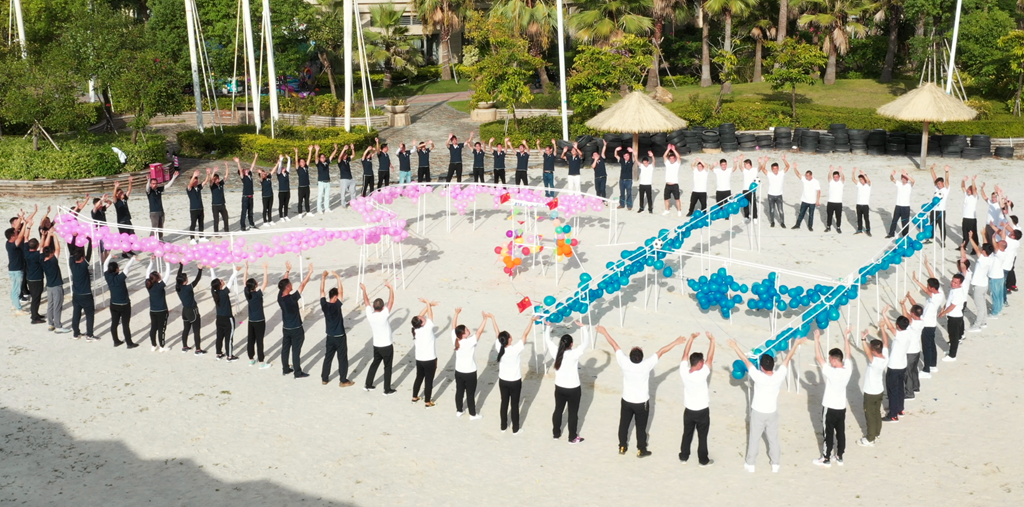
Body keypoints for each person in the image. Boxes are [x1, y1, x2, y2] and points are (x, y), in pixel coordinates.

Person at [597, 325, 685, 457]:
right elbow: (662, 351)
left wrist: (604, 332)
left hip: (627, 400)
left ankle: (622, 446)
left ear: (630, 356)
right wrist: (676, 342)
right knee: (641, 427)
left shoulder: (624, 362)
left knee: (624, 424)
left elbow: (614, 345)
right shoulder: (646, 365)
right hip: (641, 403)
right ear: (641, 357)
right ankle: (641, 449)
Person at [727, 336, 806, 473]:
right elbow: (787, 358)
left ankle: (751, 464)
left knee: (754, 438)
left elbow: (745, 360)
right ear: (773, 365)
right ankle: (775, 464)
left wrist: (735, 346)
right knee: (773, 439)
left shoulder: (759, 376)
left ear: (762, 367)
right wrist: (796, 344)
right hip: (772, 412)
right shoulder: (779, 375)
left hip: (758, 412)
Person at [811, 328, 852, 468]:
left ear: (834, 360)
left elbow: (819, 358)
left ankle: (826, 458)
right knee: (840, 432)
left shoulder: (832, 372)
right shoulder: (848, 369)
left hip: (829, 407)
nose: (829, 361)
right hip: (841, 407)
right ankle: (839, 456)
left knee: (828, 433)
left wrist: (816, 339)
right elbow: (848, 353)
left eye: (830, 359)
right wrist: (846, 337)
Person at [546, 322, 589, 443]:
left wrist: (548, 326)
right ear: (571, 344)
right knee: (573, 413)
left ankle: (556, 434)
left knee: (558, 410)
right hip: (573, 388)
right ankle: (572, 437)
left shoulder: (555, 351)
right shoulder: (574, 353)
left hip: (560, 387)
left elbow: (548, 340)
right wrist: (583, 328)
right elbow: (585, 343)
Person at [490, 314, 533, 434]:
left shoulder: (499, 347)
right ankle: (515, 429)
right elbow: (525, 334)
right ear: (509, 339)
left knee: (504, 403)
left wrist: (493, 319)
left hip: (503, 381)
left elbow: (497, 333)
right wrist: (531, 321)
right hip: (515, 381)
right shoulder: (515, 349)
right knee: (514, 405)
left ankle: (503, 427)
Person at [678, 331, 714, 466]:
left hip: (689, 410)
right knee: (702, 437)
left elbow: (685, 354)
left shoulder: (684, 372)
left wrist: (691, 338)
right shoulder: (702, 374)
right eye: (702, 362)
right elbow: (710, 357)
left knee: (687, 434)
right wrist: (712, 341)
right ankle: (703, 460)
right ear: (699, 364)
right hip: (702, 411)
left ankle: (684, 456)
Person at [277, 261, 314, 378]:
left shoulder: (280, 297)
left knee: (285, 349)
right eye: (290, 284)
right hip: (296, 329)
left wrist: (287, 271)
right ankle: (297, 372)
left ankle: (285, 369)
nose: (292, 285)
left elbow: (283, 283)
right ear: (288, 287)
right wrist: (310, 272)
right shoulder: (292, 298)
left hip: (286, 328)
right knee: (296, 351)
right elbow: (302, 285)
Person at [451, 308, 489, 420]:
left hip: (459, 371)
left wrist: (456, 314)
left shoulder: (455, 339)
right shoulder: (469, 342)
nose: (469, 330)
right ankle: (473, 414)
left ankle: (459, 410)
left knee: (459, 391)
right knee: (470, 394)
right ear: (463, 334)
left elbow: (453, 327)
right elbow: (479, 332)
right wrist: (484, 319)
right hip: (470, 372)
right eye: (467, 330)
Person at [362, 280, 396, 394]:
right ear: (382, 307)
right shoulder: (384, 314)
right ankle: (387, 389)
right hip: (386, 345)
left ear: (374, 307)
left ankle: (368, 384)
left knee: (375, 364)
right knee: (387, 367)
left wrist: (364, 290)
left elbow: (366, 302)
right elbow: (391, 301)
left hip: (376, 345)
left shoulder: (370, 315)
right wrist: (391, 288)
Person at [320, 270, 353, 386]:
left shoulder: (324, 305)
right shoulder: (337, 305)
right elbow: (341, 291)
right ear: (335, 297)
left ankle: (324, 378)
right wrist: (338, 277)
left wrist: (323, 278)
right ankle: (343, 380)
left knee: (328, 357)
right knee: (342, 358)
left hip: (330, 336)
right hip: (339, 336)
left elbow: (322, 291)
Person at [856, 328, 888, 447]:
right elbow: (886, 342)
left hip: (870, 392)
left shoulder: (874, 362)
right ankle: (877, 434)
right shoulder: (885, 357)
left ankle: (870, 438)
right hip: (879, 390)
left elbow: (867, 353)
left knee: (870, 415)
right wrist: (883, 329)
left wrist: (863, 339)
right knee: (877, 413)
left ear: (873, 350)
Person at [909, 270, 944, 376]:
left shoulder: (936, 297)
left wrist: (916, 280)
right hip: (931, 324)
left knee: (927, 347)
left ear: (932, 288)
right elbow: (933, 280)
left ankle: (926, 369)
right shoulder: (940, 292)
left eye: (929, 286)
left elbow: (925, 290)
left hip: (927, 325)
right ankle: (933, 365)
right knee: (931, 345)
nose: (927, 287)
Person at [881, 308, 910, 422]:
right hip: (902, 365)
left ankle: (893, 415)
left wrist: (884, 314)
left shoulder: (900, 335)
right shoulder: (908, 333)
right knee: (900, 388)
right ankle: (900, 409)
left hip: (894, 367)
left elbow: (891, 328)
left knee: (892, 390)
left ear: (898, 326)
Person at [104, 257, 139, 349]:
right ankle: (129, 343)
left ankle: (116, 341)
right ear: (116, 269)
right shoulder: (120, 278)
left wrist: (110, 256)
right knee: (125, 324)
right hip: (124, 305)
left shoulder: (107, 276)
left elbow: (104, 265)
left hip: (113, 304)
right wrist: (132, 259)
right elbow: (127, 268)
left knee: (114, 323)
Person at [411, 298, 440, 406]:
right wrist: (427, 303)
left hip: (419, 359)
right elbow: (430, 315)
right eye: (422, 318)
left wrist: (429, 305)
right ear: (422, 323)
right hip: (430, 359)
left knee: (419, 378)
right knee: (429, 381)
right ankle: (427, 401)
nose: (423, 316)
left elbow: (420, 315)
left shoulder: (415, 328)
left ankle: (414, 397)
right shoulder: (427, 327)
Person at [243, 262, 272, 368]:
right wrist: (265, 269)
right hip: (259, 320)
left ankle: (251, 359)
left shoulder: (247, 294)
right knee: (260, 341)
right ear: (255, 286)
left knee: (250, 340)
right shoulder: (257, 294)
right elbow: (265, 282)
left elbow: (244, 282)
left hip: (251, 320)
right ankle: (261, 362)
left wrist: (246, 269)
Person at [210, 265, 241, 361]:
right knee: (229, 337)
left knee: (219, 337)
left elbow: (213, 280)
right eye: (221, 281)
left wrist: (212, 268)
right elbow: (231, 280)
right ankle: (229, 356)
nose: (222, 280)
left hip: (219, 318)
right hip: (227, 318)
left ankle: (219, 353)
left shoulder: (214, 292)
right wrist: (236, 271)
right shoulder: (224, 293)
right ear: (220, 285)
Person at [40, 231, 69, 333]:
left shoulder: (42, 260)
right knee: (57, 306)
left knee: (50, 305)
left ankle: (50, 324)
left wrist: (48, 236)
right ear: (51, 254)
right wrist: (55, 236)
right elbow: (58, 248)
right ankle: (58, 326)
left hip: (49, 286)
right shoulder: (53, 261)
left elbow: (43, 247)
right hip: (56, 286)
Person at [175, 263, 205, 354]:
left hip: (185, 311)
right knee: (196, 331)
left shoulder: (178, 287)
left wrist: (181, 265)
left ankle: (184, 346)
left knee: (186, 329)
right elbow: (197, 280)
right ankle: (198, 349)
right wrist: (200, 270)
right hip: (192, 311)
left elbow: (178, 276)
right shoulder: (188, 288)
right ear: (185, 281)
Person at [144, 258, 172, 351]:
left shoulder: (148, 284)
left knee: (153, 328)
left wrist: (151, 262)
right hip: (162, 311)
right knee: (161, 329)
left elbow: (147, 272)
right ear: (157, 278)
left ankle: (153, 345)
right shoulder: (160, 286)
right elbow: (168, 275)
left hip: (153, 310)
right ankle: (162, 347)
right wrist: (167, 263)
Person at [967, 238, 994, 333]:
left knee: (979, 306)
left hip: (979, 285)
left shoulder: (983, 259)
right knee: (982, 304)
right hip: (984, 284)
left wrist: (971, 238)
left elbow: (976, 248)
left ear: (984, 251)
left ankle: (977, 325)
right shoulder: (990, 258)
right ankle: (983, 322)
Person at [68, 248, 96, 341]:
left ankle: (76, 333)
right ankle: (89, 335)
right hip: (86, 294)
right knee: (89, 315)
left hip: (76, 294)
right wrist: (90, 242)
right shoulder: (83, 265)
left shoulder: (72, 264)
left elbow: (71, 251)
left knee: (76, 314)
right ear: (82, 258)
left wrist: (73, 240)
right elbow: (89, 253)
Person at [939, 273, 967, 362]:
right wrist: (943, 308)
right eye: (952, 281)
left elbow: (952, 306)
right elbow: (948, 301)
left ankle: (952, 355)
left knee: (954, 337)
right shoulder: (953, 290)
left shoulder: (959, 293)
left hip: (955, 317)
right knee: (951, 335)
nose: (953, 284)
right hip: (951, 316)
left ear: (960, 284)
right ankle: (951, 350)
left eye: (956, 283)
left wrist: (944, 313)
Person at [899, 299, 925, 395]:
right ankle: (915, 387)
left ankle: (909, 392)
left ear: (913, 314)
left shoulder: (915, 323)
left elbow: (906, 317)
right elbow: (907, 316)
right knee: (914, 370)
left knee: (908, 372)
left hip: (910, 351)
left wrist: (903, 305)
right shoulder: (921, 321)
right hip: (916, 350)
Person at [760, 155, 790, 228]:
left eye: (776, 168)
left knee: (780, 210)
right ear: (772, 169)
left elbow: (788, 166)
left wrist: (784, 160)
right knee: (772, 210)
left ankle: (782, 222)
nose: (775, 170)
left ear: (778, 168)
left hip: (779, 195)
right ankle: (772, 222)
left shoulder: (781, 173)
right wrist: (765, 161)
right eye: (773, 169)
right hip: (771, 195)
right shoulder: (770, 174)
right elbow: (763, 169)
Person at [146, 171, 178, 239]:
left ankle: (160, 239)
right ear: (151, 184)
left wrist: (174, 177)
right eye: (153, 183)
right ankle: (151, 239)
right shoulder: (149, 191)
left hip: (161, 211)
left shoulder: (159, 189)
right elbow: (147, 188)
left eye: (156, 183)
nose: (155, 185)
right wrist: (148, 180)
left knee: (161, 227)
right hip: (154, 212)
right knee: (155, 227)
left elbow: (168, 186)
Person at [23, 230, 45, 324]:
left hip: (30, 278)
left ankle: (35, 314)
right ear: (37, 246)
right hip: (37, 279)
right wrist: (43, 236)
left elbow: (25, 238)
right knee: (36, 298)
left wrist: (28, 227)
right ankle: (34, 317)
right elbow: (42, 246)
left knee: (35, 298)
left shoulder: (26, 253)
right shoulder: (37, 255)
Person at [886, 169, 915, 238]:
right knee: (894, 220)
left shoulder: (909, 185)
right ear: (901, 178)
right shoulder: (899, 184)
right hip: (898, 206)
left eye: (905, 178)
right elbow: (892, 179)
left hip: (906, 206)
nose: (904, 179)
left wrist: (906, 175)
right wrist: (891, 175)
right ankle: (891, 233)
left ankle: (905, 235)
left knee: (905, 222)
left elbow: (913, 181)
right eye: (903, 178)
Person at [186, 169, 210, 244]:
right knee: (193, 224)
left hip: (200, 208)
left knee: (201, 223)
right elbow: (190, 184)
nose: (195, 182)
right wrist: (194, 176)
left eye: (196, 181)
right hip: (193, 209)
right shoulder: (189, 189)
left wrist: (208, 174)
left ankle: (201, 237)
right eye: (194, 181)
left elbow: (205, 182)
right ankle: (192, 238)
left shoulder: (199, 187)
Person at [792, 167, 819, 232]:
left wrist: (817, 200)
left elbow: (818, 191)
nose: (806, 177)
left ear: (811, 175)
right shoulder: (804, 179)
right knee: (801, 213)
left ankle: (810, 226)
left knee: (811, 215)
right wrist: (795, 168)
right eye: (806, 175)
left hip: (812, 201)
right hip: (804, 200)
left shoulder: (816, 181)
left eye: (808, 176)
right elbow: (798, 174)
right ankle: (797, 225)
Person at [235, 155, 258, 231]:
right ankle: (243, 226)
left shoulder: (250, 175)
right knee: (244, 213)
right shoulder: (243, 177)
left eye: (245, 169)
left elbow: (252, 166)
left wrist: (255, 157)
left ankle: (251, 224)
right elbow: (240, 170)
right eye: (244, 170)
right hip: (245, 198)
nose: (245, 170)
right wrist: (238, 162)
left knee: (250, 212)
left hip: (251, 197)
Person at [929, 164, 951, 242]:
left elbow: (947, 180)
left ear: (943, 183)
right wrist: (931, 169)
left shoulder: (946, 189)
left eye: (939, 184)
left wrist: (947, 172)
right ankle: (931, 238)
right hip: (934, 210)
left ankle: (943, 241)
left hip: (941, 211)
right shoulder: (936, 188)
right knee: (932, 225)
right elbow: (934, 178)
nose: (938, 185)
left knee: (941, 226)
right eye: (937, 184)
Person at [209, 165, 230, 234]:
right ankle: (216, 233)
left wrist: (227, 166)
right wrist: (213, 172)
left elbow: (226, 176)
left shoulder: (221, 183)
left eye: (217, 179)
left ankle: (226, 230)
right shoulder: (212, 186)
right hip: (215, 206)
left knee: (226, 218)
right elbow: (211, 180)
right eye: (215, 179)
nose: (216, 180)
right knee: (216, 220)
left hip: (222, 204)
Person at [961, 175, 980, 254]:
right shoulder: (966, 195)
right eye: (968, 189)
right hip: (965, 217)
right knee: (965, 233)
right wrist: (963, 181)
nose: (968, 191)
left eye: (969, 190)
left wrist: (973, 181)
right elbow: (963, 187)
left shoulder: (975, 196)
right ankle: (964, 246)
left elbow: (975, 190)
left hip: (972, 218)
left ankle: (975, 249)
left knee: (973, 234)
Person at [824, 166, 845, 234]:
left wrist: (841, 172)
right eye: (834, 177)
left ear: (839, 177)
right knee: (829, 215)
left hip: (838, 202)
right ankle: (828, 226)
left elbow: (843, 178)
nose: (835, 178)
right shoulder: (831, 182)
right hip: (831, 202)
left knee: (838, 216)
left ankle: (838, 227)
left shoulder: (841, 183)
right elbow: (829, 177)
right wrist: (831, 171)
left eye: (837, 177)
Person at [335, 144, 357, 208]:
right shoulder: (340, 162)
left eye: (346, 155)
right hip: (344, 179)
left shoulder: (347, 160)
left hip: (350, 178)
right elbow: (339, 157)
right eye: (344, 155)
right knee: (343, 192)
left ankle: (353, 202)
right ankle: (343, 204)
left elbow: (353, 155)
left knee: (353, 191)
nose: (345, 156)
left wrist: (352, 149)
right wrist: (344, 149)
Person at [293, 146, 313, 216]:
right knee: (300, 200)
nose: (303, 162)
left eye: (303, 161)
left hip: (307, 186)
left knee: (307, 200)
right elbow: (296, 161)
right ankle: (300, 213)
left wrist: (310, 150)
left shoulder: (306, 167)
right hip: (301, 187)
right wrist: (296, 152)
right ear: (299, 163)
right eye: (301, 162)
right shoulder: (298, 168)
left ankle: (308, 211)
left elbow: (309, 159)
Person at [315, 145, 334, 214]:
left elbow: (331, 156)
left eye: (324, 157)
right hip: (321, 182)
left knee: (327, 196)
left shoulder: (327, 163)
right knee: (320, 196)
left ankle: (327, 208)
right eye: (321, 157)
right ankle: (319, 209)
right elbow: (316, 158)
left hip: (327, 182)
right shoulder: (319, 164)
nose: (323, 158)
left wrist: (335, 149)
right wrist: (317, 150)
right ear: (320, 158)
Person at [739, 156, 759, 222]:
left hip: (752, 189)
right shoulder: (745, 170)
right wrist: (741, 160)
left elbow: (760, 168)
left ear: (749, 164)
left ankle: (755, 217)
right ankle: (746, 217)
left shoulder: (754, 170)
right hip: (745, 189)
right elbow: (740, 167)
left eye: (745, 164)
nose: (744, 166)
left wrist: (760, 162)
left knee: (753, 204)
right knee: (745, 204)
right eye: (744, 164)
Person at [853, 169, 872, 236]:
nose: (861, 180)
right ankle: (859, 229)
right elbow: (853, 180)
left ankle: (868, 230)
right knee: (859, 218)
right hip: (859, 204)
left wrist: (864, 174)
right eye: (860, 179)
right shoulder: (859, 185)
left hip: (865, 205)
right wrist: (853, 172)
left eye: (862, 179)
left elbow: (869, 181)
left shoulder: (868, 185)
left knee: (866, 218)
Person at [276, 153, 292, 221]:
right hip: (281, 192)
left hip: (287, 191)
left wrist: (288, 158)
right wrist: (281, 159)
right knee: (281, 204)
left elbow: (289, 166)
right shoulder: (279, 174)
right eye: (283, 168)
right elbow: (279, 167)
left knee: (286, 204)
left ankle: (286, 215)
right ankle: (281, 216)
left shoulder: (287, 174)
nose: (283, 168)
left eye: (284, 168)